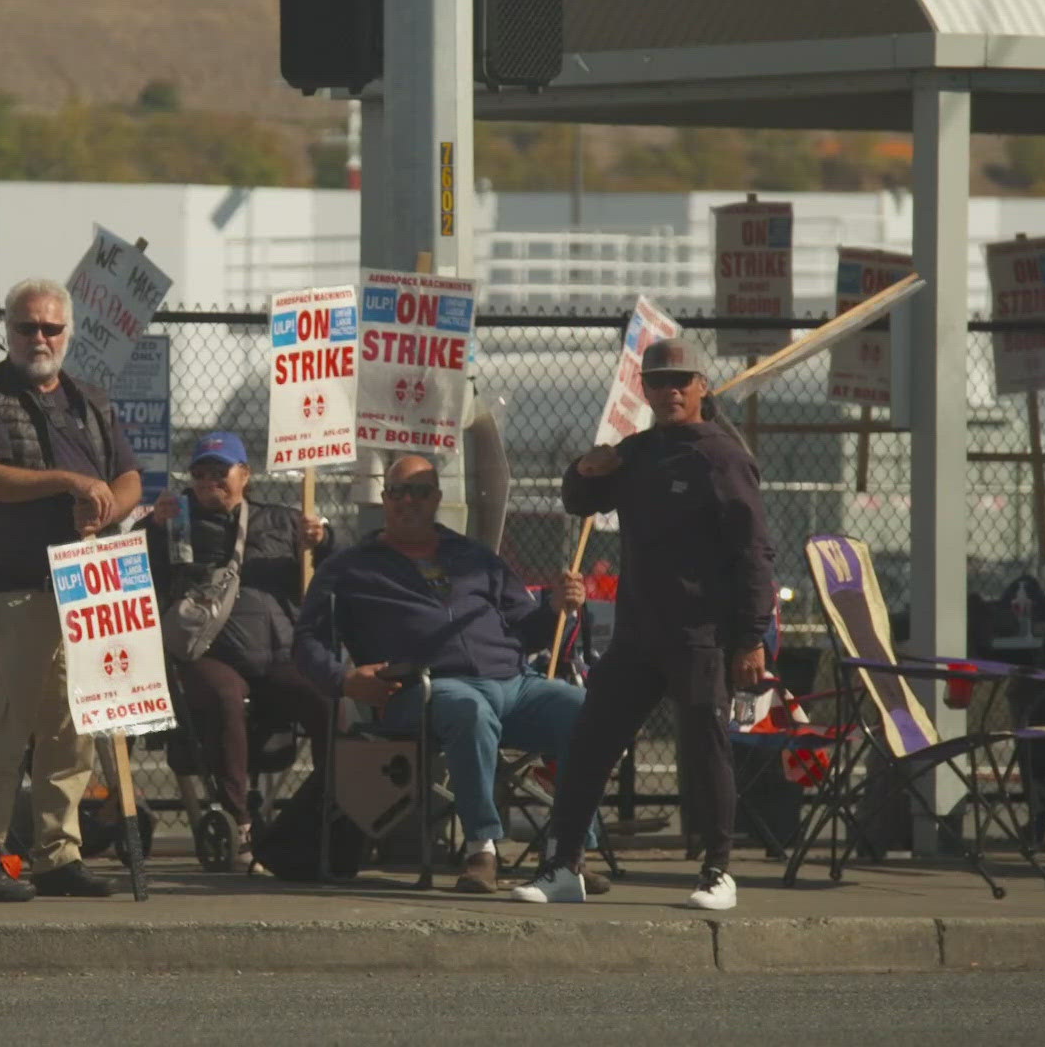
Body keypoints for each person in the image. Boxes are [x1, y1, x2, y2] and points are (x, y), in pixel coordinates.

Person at [513, 338, 774, 911]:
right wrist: (585, 467)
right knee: (588, 744)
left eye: (682, 379)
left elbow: (754, 552)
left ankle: (717, 871)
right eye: (658, 381)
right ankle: (562, 867)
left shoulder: (723, 457)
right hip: (637, 635)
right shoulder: (638, 451)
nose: (670, 390)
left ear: (703, 386)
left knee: (705, 749)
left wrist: (751, 637)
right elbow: (579, 501)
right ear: (645, 390)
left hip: (700, 634)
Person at [294, 454, 607, 895]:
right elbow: (306, 641)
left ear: (437, 498)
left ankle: (565, 852)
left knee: (586, 710)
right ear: (384, 500)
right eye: (398, 492)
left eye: (420, 492)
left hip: (513, 683)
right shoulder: (350, 567)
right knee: (467, 710)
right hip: (420, 691)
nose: (409, 502)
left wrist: (556, 609)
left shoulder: (475, 556)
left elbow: (529, 630)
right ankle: (481, 849)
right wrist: (344, 680)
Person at [0, 277, 141, 902]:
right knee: (10, 721)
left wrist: (105, 508)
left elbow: (130, 475)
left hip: (88, 585)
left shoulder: (92, 399)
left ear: (69, 333)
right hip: (20, 582)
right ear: (8, 330)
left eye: (51, 328)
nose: (39, 338)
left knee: (73, 726)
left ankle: (58, 854)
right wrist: (66, 483)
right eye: (27, 327)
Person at [141, 431, 333, 871]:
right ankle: (240, 823)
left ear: (244, 475)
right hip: (209, 653)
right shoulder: (177, 519)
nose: (210, 481)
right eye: (200, 473)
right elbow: (132, 562)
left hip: (278, 653)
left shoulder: (281, 521)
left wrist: (324, 540)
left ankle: (326, 810)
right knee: (226, 698)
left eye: (220, 471)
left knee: (327, 697)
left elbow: (334, 570)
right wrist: (152, 527)